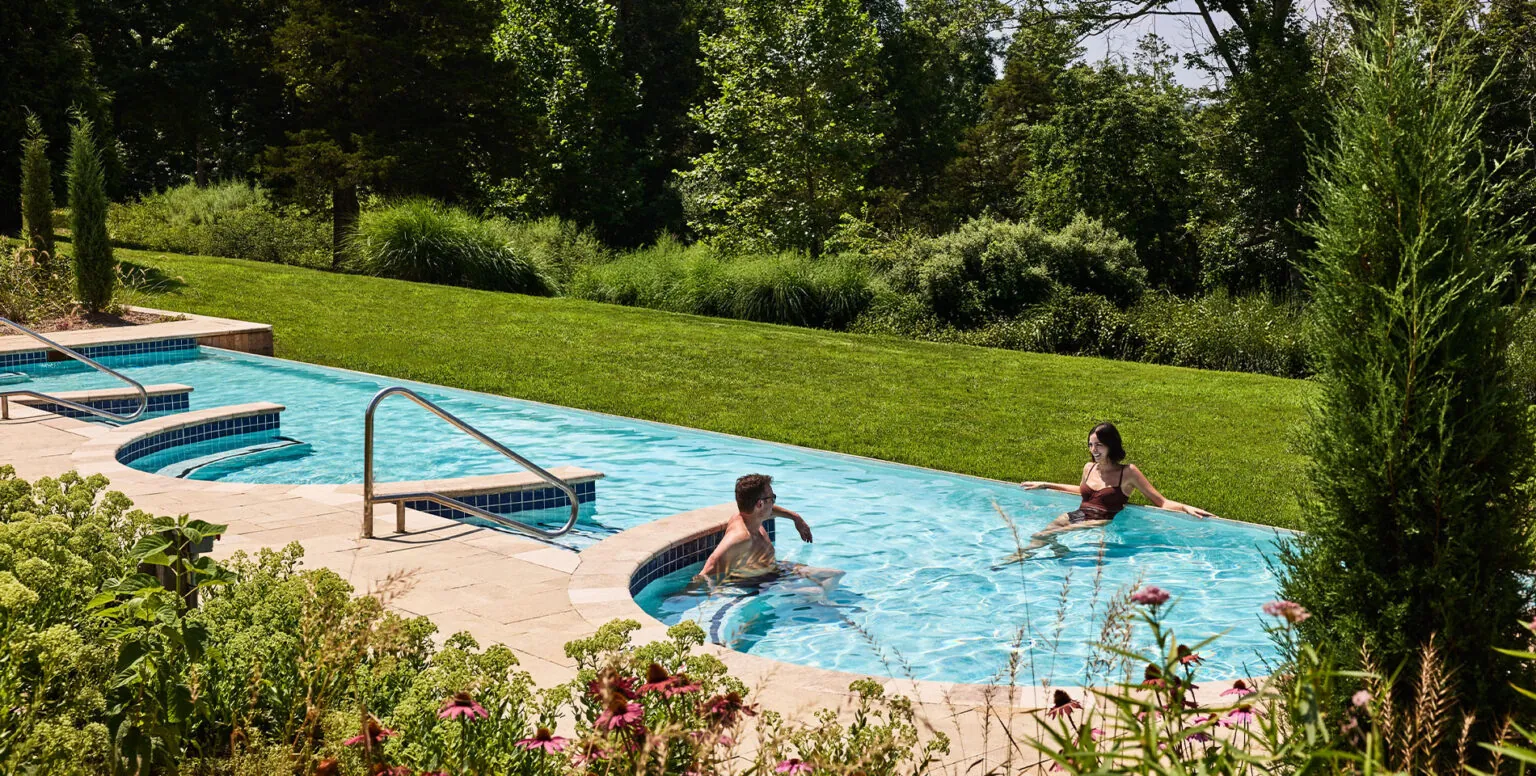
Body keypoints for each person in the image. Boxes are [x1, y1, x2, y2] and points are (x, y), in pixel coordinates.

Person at [1001, 422, 1215, 564]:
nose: (1094, 450)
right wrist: (1047, 484)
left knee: (1047, 536)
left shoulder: (1128, 472)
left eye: (1099, 445)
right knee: (1040, 535)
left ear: (1111, 446)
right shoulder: (1089, 467)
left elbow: (1161, 502)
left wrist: (1185, 507)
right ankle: (1021, 558)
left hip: (1100, 520)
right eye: (1091, 445)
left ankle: (1022, 559)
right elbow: (1084, 492)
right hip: (1078, 514)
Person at [696, 473, 837, 588]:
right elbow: (708, 569)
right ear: (760, 504)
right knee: (817, 592)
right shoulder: (741, 538)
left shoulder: (751, 518)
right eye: (772, 498)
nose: (774, 502)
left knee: (835, 574)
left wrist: (795, 517)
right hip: (760, 584)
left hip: (776, 572)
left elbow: (770, 510)